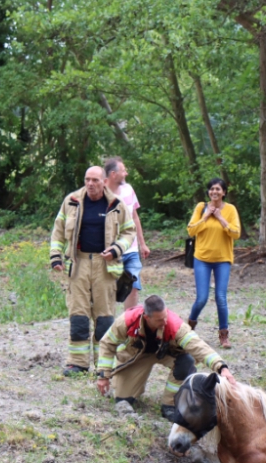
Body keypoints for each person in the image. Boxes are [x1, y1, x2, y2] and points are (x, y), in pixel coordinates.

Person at [50, 166, 136, 376]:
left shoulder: (116, 204)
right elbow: (58, 231)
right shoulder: (72, 201)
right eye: (87, 179)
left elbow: (129, 231)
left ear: (104, 181)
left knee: (104, 316)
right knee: (78, 314)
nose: (90, 184)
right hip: (77, 263)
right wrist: (56, 257)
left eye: (95, 180)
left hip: (104, 266)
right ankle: (77, 363)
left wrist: (116, 249)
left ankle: (104, 364)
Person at [96, 294, 235, 415]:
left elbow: (199, 346)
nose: (165, 322)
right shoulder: (127, 320)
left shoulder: (175, 325)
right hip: (138, 357)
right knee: (123, 399)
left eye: (165, 317)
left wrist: (221, 367)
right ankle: (127, 389)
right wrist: (104, 375)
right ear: (147, 317)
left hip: (167, 354)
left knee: (187, 361)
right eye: (159, 320)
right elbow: (107, 344)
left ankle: (170, 405)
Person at [187, 178, 241, 349]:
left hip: (222, 260)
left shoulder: (230, 209)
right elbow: (191, 230)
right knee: (202, 298)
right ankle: (189, 328)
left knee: (220, 297)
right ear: (208, 192)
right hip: (202, 259)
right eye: (211, 189)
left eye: (218, 189)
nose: (214, 192)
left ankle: (223, 335)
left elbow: (236, 233)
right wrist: (205, 217)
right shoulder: (201, 207)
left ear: (224, 192)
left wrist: (220, 218)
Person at [104, 157, 150, 310]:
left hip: (131, 250)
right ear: (113, 174)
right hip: (110, 252)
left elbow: (135, 217)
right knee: (108, 291)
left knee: (133, 288)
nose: (126, 173)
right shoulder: (100, 194)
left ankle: (128, 325)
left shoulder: (129, 189)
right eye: (123, 170)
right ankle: (106, 326)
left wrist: (142, 244)